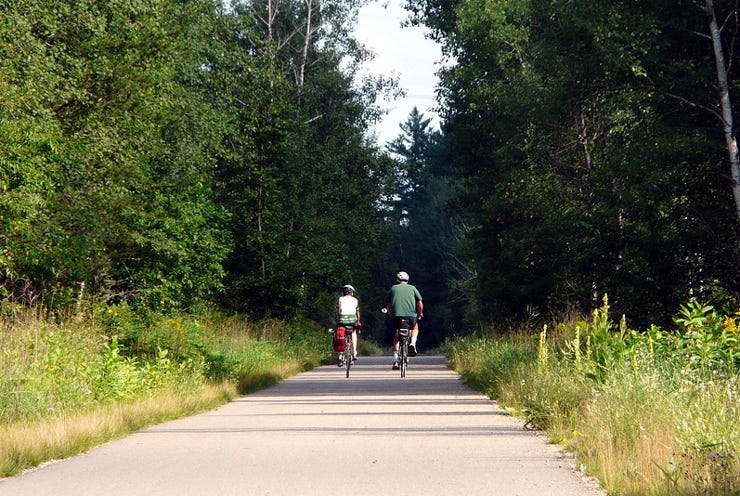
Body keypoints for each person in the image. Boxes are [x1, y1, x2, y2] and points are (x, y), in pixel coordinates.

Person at [386, 271, 423, 370]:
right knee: (415, 328)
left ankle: (395, 361)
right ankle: (412, 344)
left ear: (397, 280)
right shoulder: (413, 288)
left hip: (397, 316)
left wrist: (391, 315)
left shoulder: (393, 288)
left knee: (397, 336)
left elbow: (388, 304)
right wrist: (419, 314)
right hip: (411, 316)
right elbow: (419, 303)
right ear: (407, 280)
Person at [336, 284, 361, 365]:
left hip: (342, 320)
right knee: (353, 332)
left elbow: (339, 312)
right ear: (352, 293)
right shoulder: (355, 300)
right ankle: (354, 351)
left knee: (341, 333)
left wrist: (339, 320)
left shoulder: (340, 299)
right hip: (352, 320)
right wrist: (358, 321)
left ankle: (340, 355)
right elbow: (357, 313)